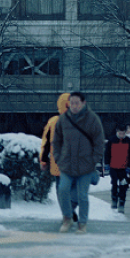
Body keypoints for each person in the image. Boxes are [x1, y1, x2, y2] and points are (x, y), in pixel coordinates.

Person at [51, 91, 105, 234]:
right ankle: (67, 218)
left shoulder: (92, 119)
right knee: (63, 190)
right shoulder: (63, 119)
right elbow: (56, 141)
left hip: (85, 167)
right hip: (67, 165)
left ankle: (82, 223)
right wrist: (58, 158)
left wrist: (93, 161)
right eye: (72, 103)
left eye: (77, 103)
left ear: (83, 103)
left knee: (82, 196)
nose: (74, 106)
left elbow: (99, 143)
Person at [40, 93, 77, 222]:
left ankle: (67, 213)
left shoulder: (53, 122)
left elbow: (45, 143)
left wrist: (43, 160)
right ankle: (71, 208)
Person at [104, 124, 130, 214]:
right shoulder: (111, 140)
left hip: (124, 168)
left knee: (123, 186)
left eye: (123, 133)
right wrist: (107, 163)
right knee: (114, 183)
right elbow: (107, 152)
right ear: (117, 132)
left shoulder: (129, 141)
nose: (122, 135)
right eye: (120, 133)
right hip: (113, 167)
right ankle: (114, 199)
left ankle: (122, 203)